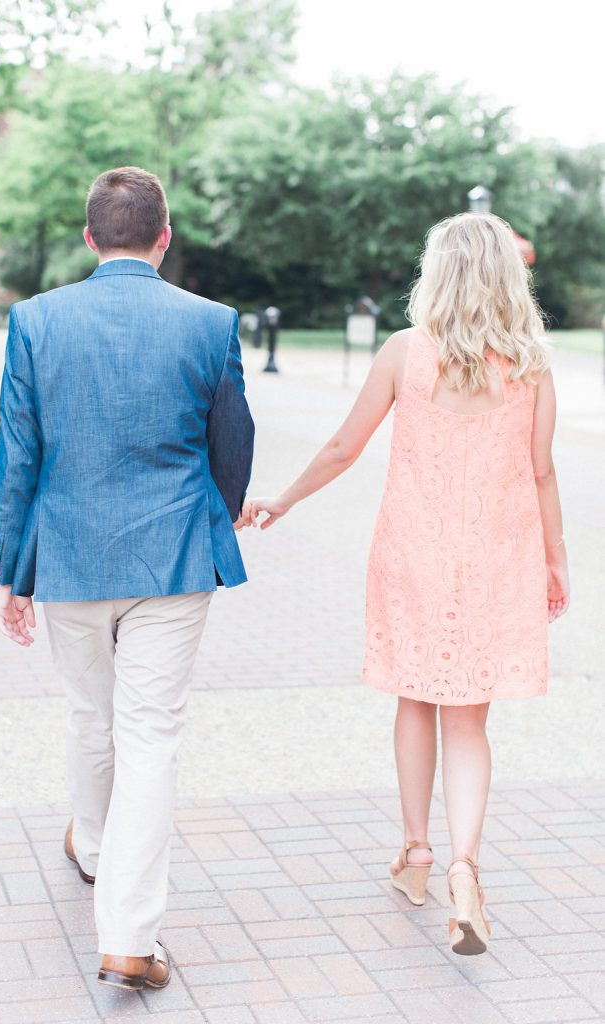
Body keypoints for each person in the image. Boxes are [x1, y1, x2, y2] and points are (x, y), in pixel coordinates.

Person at [245, 212, 569, 956]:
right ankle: (464, 869)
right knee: (468, 720)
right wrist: (555, 559)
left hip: (412, 555)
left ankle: (416, 853)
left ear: (438, 272)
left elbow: (341, 447)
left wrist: (281, 499)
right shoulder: (530, 364)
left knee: (415, 697)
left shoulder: (403, 353)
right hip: (496, 555)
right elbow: (541, 470)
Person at [0, 167, 254, 989]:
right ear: (164, 237)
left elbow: (19, 454)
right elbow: (232, 440)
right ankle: (129, 936)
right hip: (173, 556)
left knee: (87, 712)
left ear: (89, 237)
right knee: (149, 736)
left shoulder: (35, 320)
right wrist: (222, 510)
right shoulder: (210, 323)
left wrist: (12, 572)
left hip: (69, 555)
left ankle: (97, 851)